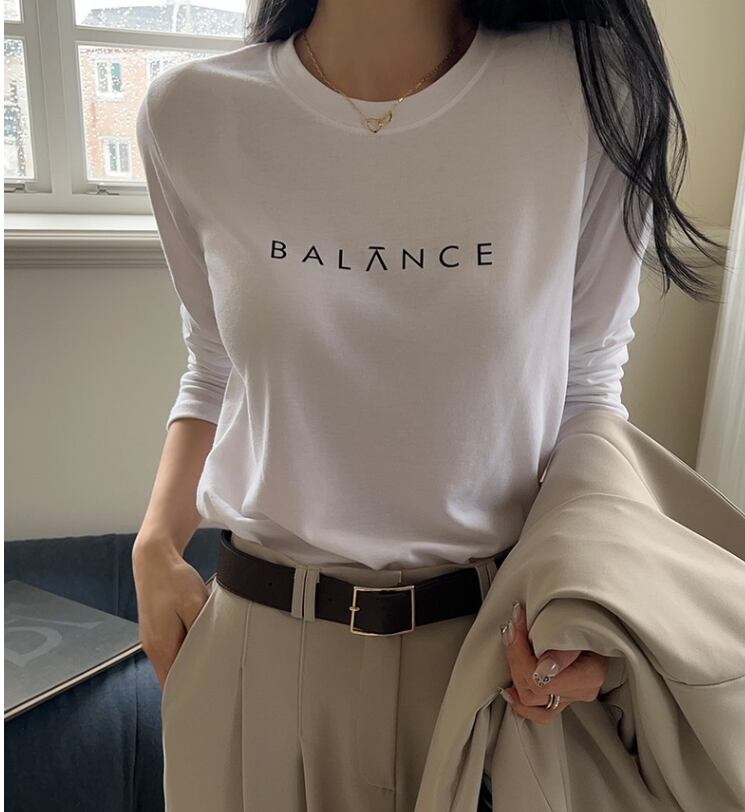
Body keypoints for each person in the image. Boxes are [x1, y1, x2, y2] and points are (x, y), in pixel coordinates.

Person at [131, 1, 726, 810]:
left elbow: (587, 383)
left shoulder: (592, 91)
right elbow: (212, 364)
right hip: (255, 653)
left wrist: (590, 598)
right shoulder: (191, 114)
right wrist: (156, 541)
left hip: (493, 662)